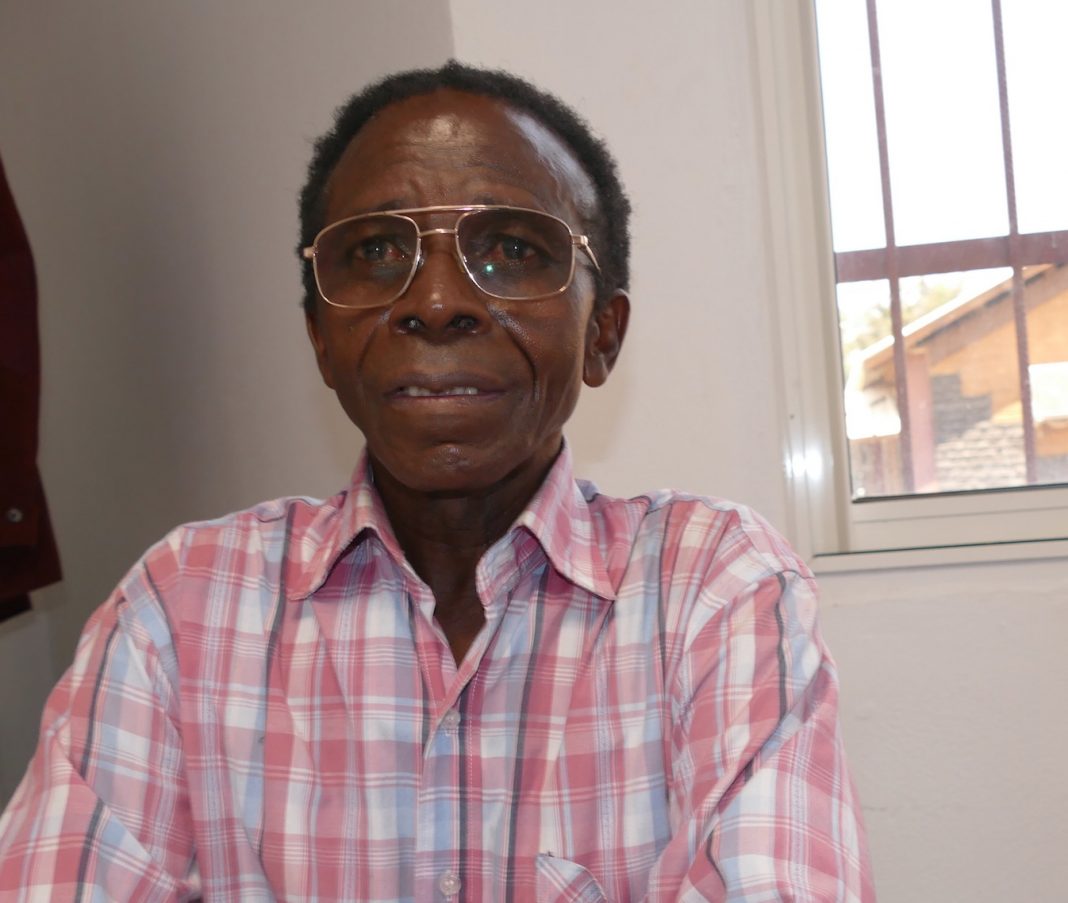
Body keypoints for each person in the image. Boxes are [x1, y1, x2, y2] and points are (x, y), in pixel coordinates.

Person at [0, 62, 874, 901]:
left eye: (512, 249)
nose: (437, 301)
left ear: (602, 335)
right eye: (378, 250)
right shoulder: (181, 608)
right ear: (320, 338)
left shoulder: (713, 588)